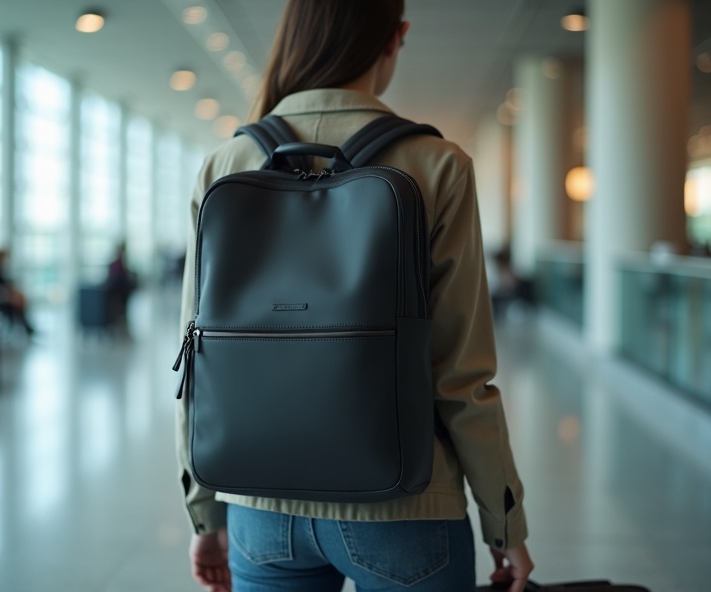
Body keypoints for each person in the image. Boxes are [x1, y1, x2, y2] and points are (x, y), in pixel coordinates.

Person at [176, 1, 534, 591]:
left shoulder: (226, 163)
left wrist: (204, 511)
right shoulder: (437, 165)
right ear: (397, 37)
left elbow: (197, 358)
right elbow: (460, 377)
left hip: (259, 510)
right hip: (407, 511)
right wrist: (506, 525)